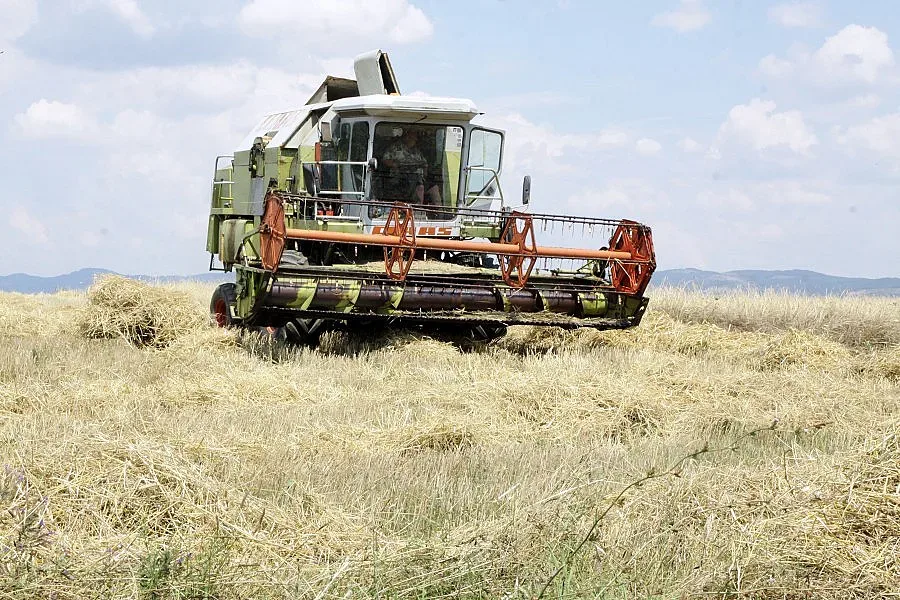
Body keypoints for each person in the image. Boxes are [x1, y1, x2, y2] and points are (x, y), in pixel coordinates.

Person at [380, 128, 442, 207]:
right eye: (414, 137)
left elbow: (424, 163)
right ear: (407, 137)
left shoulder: (416, 150)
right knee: (419, 186)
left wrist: (425, 171)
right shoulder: (396, 147)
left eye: (416, 138)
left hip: (419, 177)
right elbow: (385, 160)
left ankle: (440, 213)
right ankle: (417, 209)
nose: (416, 139)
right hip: (401, 178)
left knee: (434, 187)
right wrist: (396, 165)